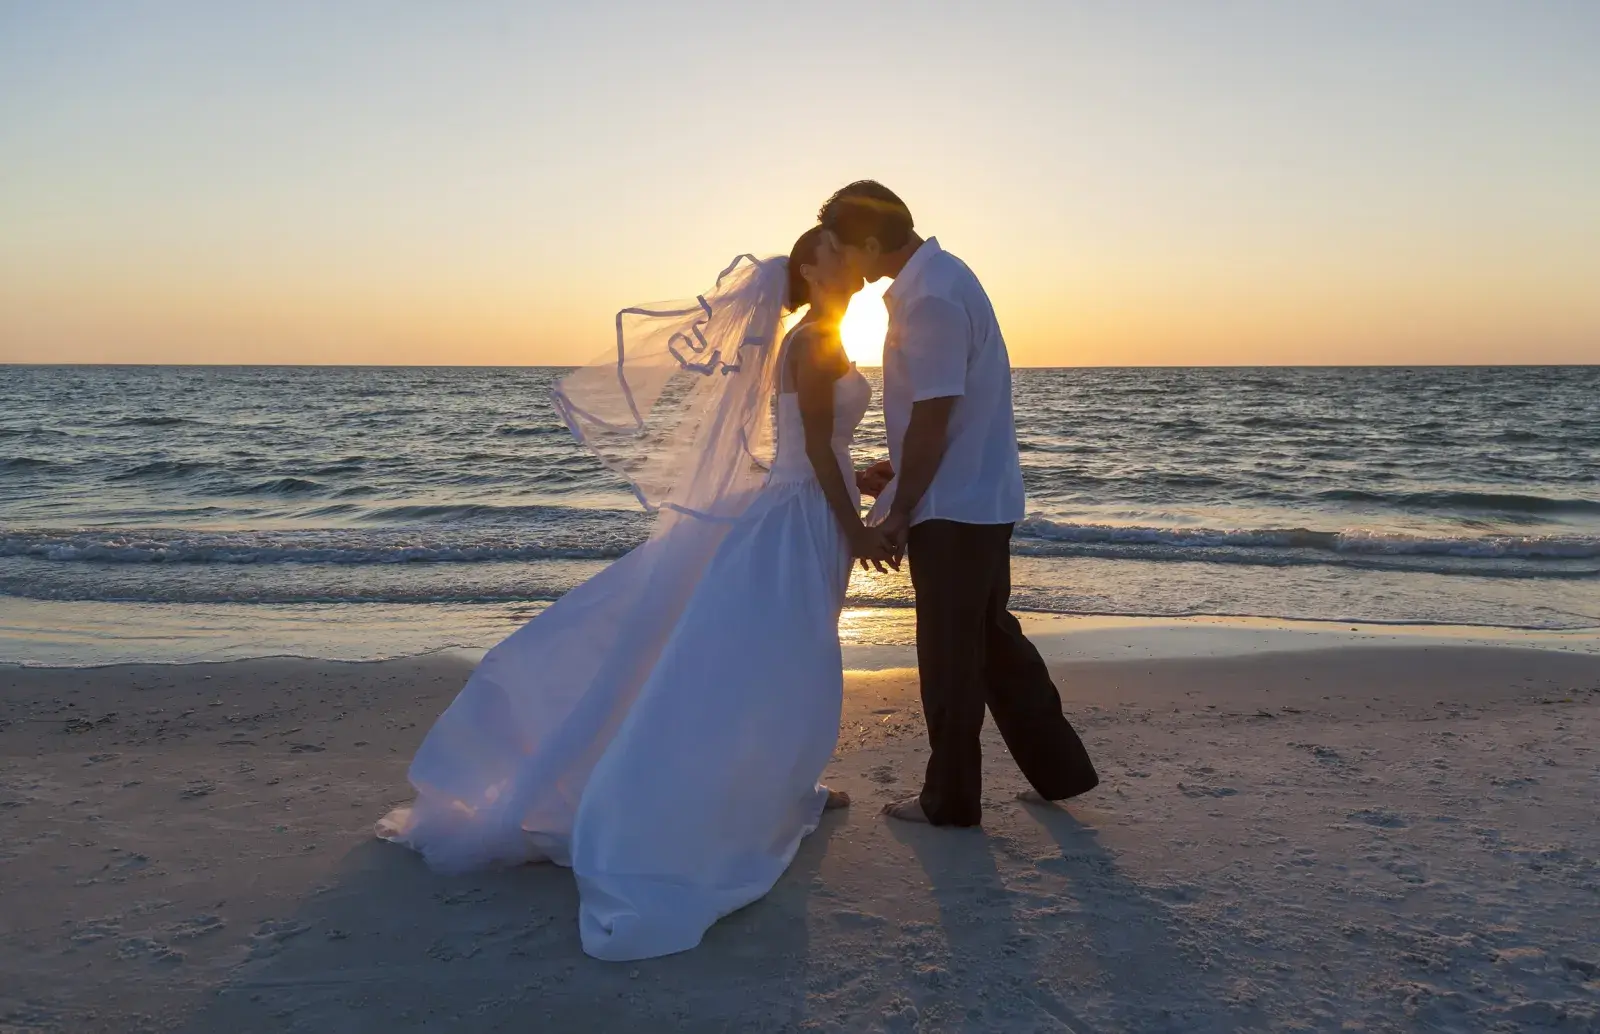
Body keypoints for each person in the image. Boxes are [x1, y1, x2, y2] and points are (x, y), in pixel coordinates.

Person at [377, 226, 892, 961]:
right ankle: (735, 797)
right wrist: (860, 527)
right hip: (803, 516)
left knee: (788, 655)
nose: (854, 258)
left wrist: (859, 478)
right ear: (810, 265)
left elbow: (826, 445)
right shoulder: (812, 341)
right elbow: (810, 449)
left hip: (813, 507)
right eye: (839, 249)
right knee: (792, 656)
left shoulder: (827, 334)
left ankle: (787, 786)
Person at [820, 181, 1100, 827]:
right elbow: (946, 410)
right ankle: (1060, 771)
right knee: (991, 641)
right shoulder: (940, 279)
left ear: (868, 240)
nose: (842, 260)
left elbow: (936, 412)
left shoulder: (932, 298)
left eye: (842, 246)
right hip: (975, 492)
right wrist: (900, 470)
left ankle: (949, 800)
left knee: (949, 655)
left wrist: (900, 507)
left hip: (955, 507)